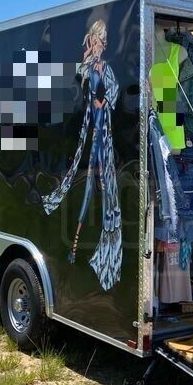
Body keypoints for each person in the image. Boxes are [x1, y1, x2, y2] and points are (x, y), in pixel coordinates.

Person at [42, 18, 122, 291]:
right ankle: (76, 244)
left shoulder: (106, 69)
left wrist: (101, 97)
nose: (97, 46)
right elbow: (77, 86)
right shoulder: (88, 67)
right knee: (87, 185)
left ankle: (94, 245)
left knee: (103, 188)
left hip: (104, 136)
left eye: (99, 42)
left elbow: (110, 95)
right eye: (94, 41)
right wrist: (86, 58)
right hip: (91, 134)